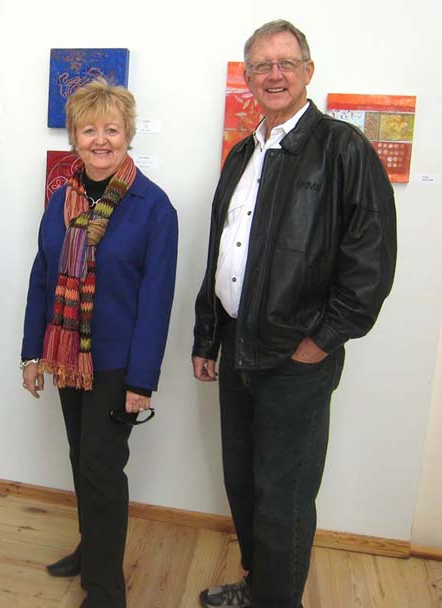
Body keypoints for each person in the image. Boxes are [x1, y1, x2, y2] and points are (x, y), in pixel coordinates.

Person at [192, 20, 397, 608]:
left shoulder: (343, 148)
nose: (274, 74)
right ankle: (261, 588)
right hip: (238, 347)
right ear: (248, 77)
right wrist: (208, 338)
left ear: (308, 71)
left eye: (286, 63)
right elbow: (222, 251)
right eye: (262, 65)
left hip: (297, 359)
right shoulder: (242, 153)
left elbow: (371, 263)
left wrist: (321, 341)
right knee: (243, 485)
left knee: (283, 499)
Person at [21, 78, 178, 608]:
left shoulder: (154, 208)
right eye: (89, 130)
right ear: (75, 137)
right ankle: (92, 551)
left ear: (128, 133)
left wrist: (142, 381)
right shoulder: (61, 200)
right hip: (67, 355)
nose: (101, 140)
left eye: (111, 129)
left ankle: (107, 589)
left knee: (101, 469)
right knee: (80, 457)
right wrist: (31, 352)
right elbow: (42, 277)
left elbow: (157, 302)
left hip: (116, 365)